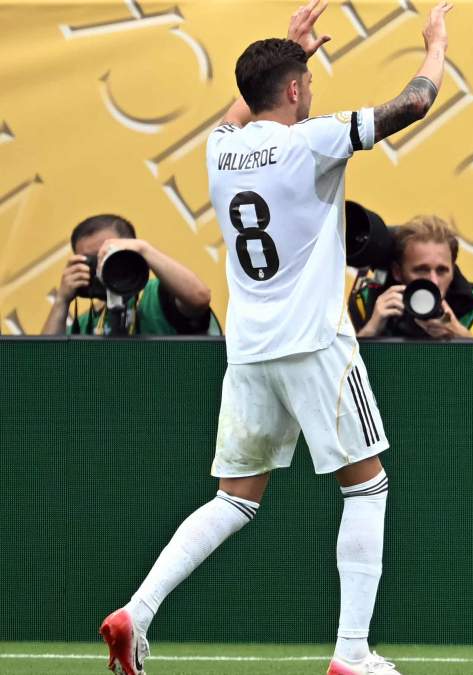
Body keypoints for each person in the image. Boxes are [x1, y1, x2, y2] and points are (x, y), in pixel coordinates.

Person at [98, 3, 450, 675]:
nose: (310, 89)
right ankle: (350, 654)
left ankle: (136, 610)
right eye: (305, 81)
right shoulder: (312, 138)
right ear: (293, 90)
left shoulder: (219, 148)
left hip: (252, 348)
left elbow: (244, 110)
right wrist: (435, 47)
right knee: (367, 488)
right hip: (315, 342)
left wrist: (291, 52)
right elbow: (412, 104)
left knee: (233, 498)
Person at [41, 214, 216, 336]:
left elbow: (199, 298)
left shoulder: (156, 296)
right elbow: (43, 363)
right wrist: (61, 301)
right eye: (92, 260)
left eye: (107, 254)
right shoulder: (87, 322)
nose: (101, 266)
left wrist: (144, 249)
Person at [350, 214, 473, 339]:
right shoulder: (370, 300)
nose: (433, 281)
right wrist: (370, 332)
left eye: (442, 270)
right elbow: (342, 373)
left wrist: (459, 334)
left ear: (453, 269)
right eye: (421, 270)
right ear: (397, 272)